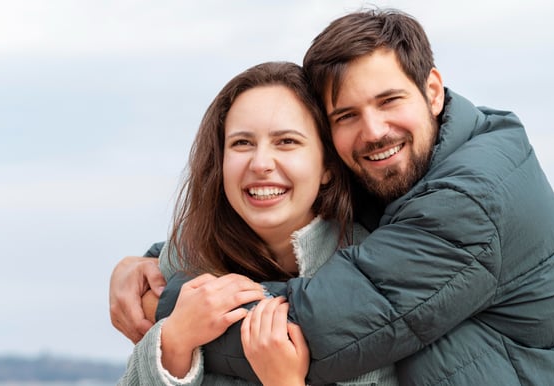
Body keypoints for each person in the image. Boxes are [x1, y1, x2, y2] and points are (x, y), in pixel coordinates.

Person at [111, 8, 554, 385]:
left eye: (389, 101)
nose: (374, 131)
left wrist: (171, 309)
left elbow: (324, 328)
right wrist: (151, 262)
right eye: (346, 116)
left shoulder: (471, 198)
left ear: (432, 91)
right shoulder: (403, 171)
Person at [116, 61, 398, 385]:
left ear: (327, 166)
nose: (261, 163)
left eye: (286, 142)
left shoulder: (365, 272)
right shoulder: (183, 263)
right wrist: (174, 345)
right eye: (242, 143)